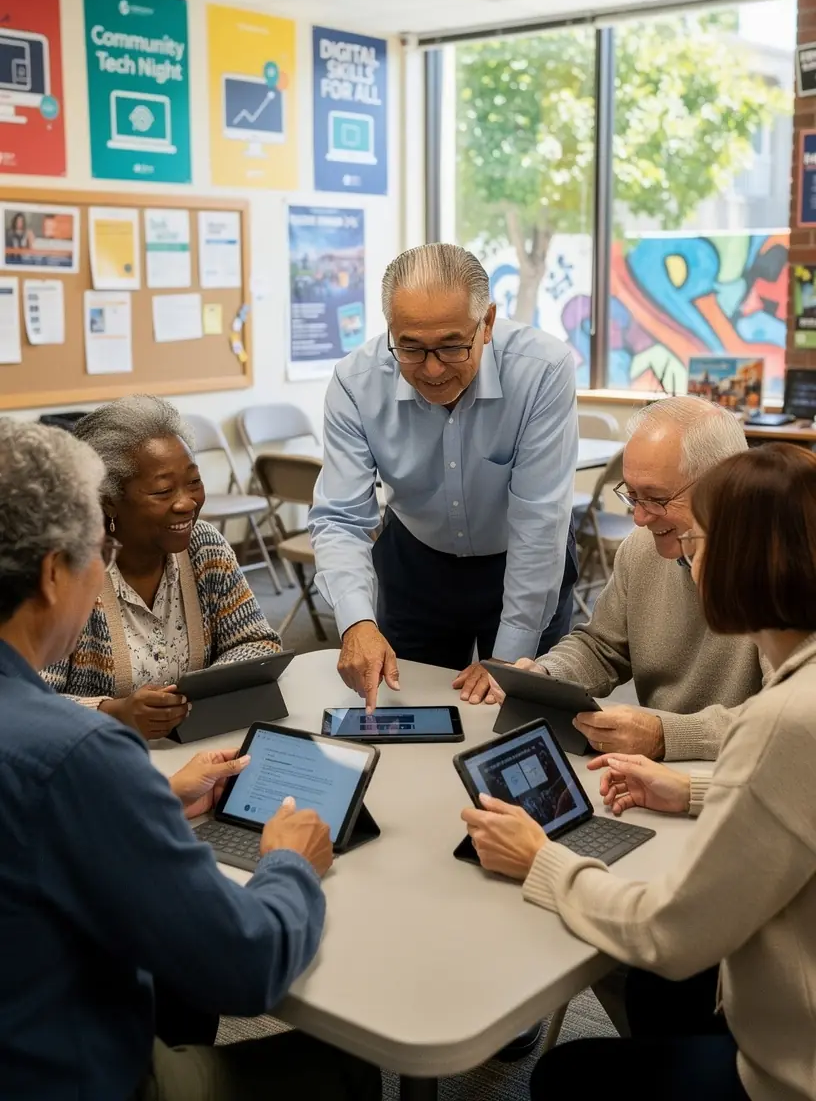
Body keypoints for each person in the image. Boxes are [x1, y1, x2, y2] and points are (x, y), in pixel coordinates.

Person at [0, 417, 381, 1101]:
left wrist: (141, 805)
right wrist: (289, 863)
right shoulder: (81, 754)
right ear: (56, 574)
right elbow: (248, 967)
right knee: (348, 1069)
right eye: (95, 550)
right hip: (69, 1074)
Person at [462, 443, 816, 1101]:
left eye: (695, 536)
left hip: (790, 1073)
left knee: (567, 1076)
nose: (682, 550)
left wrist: (541, 859)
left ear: (738, 558)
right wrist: (690, 789)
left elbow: (670, 933)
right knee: (659, 992)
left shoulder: (785, 719)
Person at [309, 243, 579, 713]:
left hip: (522, 558)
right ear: (389, 327)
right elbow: (340, 518)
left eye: (453, 346)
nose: (432, 369)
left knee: (521, 716)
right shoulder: (357, 382)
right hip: (418, 563)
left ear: (487, 323)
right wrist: (356, 623)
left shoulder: (542, 370)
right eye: (410, 347)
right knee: (408, 710)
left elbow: (539, 521)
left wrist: (509, 655)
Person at [518, 396, 763, 761]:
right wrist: (545, 676)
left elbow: (791, 717)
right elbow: (603, 647)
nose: (639, 519)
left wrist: (668, 736)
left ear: (724, 486)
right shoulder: (642, 550)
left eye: (656, 499)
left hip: (741, 772)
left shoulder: (786, 571)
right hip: (655, 773)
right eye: (633, 497)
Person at [43, 395, 282, 742]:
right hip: (97, 760)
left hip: (201, 749)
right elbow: (23, 702)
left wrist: (197, 692)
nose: (187, 503)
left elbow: (259, 642)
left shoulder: (204, 545)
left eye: (194, 482)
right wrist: (112, 712)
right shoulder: (66, 572)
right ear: (108, 499)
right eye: (163, 490)